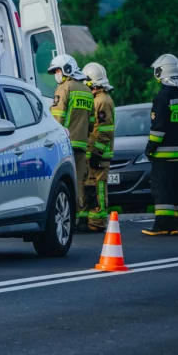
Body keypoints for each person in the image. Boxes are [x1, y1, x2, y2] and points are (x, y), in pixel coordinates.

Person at [142, 54, 178, 236]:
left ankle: (163, 225)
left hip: (163, 156)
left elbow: (158, 128)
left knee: (161, 190)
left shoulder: (162, 96)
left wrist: (150, 148)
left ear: (163, 72)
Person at [48, 54, 94, 231]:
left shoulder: (64, 88)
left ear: (67, 69)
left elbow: (57, 118)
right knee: (79, 181)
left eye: (58, 70)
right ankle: (82, 220)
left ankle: (68, 219)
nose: (56, 75)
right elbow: (91, 122)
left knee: (64, 182)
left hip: (64, 143)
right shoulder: (87, 91)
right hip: (81, 144)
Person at [80, 62, 115, 232]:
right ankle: (91, 220)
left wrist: (97, 152)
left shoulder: (102, 101)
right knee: (91, 186)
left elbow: (105, 131)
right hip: (94, 152)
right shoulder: (99, 100)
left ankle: (98, 221)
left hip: (100, 155)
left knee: (99, 187)